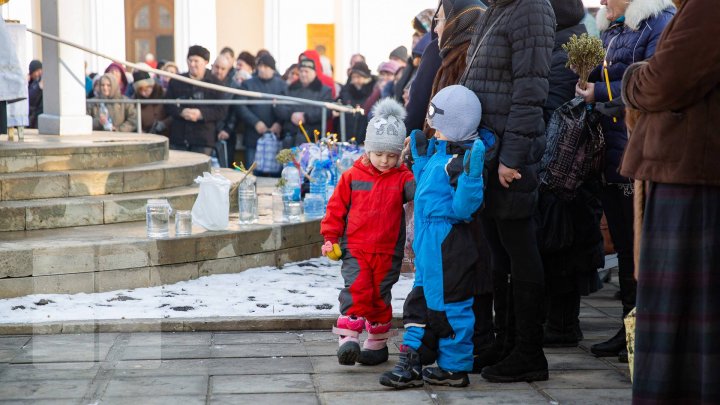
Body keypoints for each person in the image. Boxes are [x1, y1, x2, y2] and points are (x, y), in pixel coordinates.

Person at [619, 0, 719, 401]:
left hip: (693, 182)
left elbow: (663, 82)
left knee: (684, 331)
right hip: (692, 175)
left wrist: (631, 77)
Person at [575, 0, 674, 363]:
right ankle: (628, 327)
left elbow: (651, 81)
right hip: (612, 149)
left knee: (639, 248)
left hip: (637, 148)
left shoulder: (657, 23)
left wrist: (598, 93)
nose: (601, 1)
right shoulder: (613, 28)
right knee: (623, 242)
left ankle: (641, 333)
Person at [462, 0, 555, 383]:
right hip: (487, 151)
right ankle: (506, 343)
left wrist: (511, 157)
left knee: (519, 247)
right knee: (499, 250)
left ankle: (530, 352)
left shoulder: (532, 8)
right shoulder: (498, 9)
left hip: (508, 156)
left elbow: (530, 92)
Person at [380, 85, 487, 389]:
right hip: (429, 244)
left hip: (448, 242)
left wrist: (471, 177)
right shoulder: (441, 155)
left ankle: (453, 366)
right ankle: (414, 358)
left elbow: (464, 208)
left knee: (449, 305)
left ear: (455, 127)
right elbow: (428, 190)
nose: (434, 132)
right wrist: (420, 160)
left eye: (439, 128)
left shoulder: (459, 162)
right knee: (419, 301)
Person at [321, 98, 415, 366]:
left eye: (392, 156)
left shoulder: (403, 177)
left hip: (388, 251)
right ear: (367, 150)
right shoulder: (352, 176)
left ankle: (376, 345)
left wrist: (417, 163)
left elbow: (419, 192)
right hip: (355, 248)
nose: (385, 161)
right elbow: (335, 209)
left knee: (379, 296)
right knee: (357, 289)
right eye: (379, 154)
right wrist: (330, 237)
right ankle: (348, 339)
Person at [538, 0, 603, 349]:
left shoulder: (560, 46)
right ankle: (562, 322)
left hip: (563, 163)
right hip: (574, 164)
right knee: (567, 241)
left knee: (561, 241)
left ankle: (562, 325)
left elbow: (551, 103)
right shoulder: (575, 36)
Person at [220, 53, 287, 170]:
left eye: (266, 67)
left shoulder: (281, 85)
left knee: (275, 173)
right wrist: (255, 122)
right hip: (253, 135)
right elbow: (240, 106)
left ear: (272, 69)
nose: (262, 69)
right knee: (250, 173)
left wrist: (279, 123)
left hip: (275, 136)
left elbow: (287, 107)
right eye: (260, 66)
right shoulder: (248, 84)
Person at [164, 45, 227, 156]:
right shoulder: (176, 81)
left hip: (203, 139)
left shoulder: (216, 84)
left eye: (196, 61)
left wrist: (201, 114)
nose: (192, 64)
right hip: (179, 137)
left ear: (205, 62)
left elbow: (221, 110)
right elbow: (168, 105)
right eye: (190, 60)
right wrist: (181, 112)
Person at [276, 55, 333, 147]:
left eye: (306, 71)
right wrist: (291, 115)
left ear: (314, 72)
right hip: (289, 137)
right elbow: (278, 106)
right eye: (301, 71)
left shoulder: (324, 91)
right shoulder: (290, 88)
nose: (303, 74)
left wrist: (305, 117)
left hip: (312, 139)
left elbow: (327, 111)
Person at [338, 61, 375, 143]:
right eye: (353, 77)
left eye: (358, 77)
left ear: (366, 77)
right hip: (347, 134)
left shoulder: (373, 92)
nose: (355, 81)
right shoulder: (346, 91)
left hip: (365, 135)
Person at [132, 70, 170, 135]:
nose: (144, 93)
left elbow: (173, 113)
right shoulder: (135, 99)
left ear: (151, 85)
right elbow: (133, 117)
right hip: (147, 134)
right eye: (141, 90)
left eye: (146, 89)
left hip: (166, 132)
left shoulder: (163, 93)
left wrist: (164, 123)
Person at [27, 60, 43, 129]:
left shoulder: (40, 81)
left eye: (40, 71)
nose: (38, 74)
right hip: (31, 115)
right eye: (36, 71)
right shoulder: (30, 82)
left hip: (37, 115)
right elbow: (29, 98)